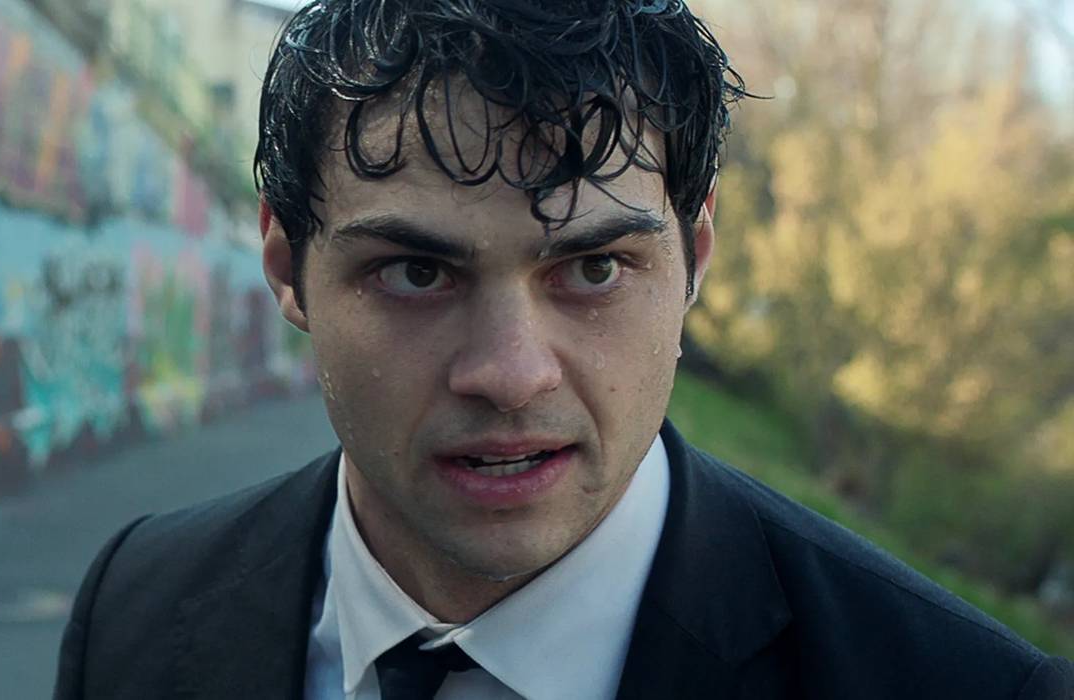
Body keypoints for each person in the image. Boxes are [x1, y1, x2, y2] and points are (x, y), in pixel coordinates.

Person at [54, 1, 1074, 698]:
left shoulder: (962, 683)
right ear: (287, 267)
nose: (510, 374)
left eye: (593, 268)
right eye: (416, 272)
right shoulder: (135, 610)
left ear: (695, 259)